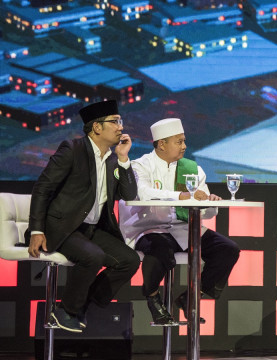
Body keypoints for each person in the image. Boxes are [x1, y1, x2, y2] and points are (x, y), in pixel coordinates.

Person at [27, 100, 140, 333]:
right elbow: (43, 188)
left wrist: (124, 159)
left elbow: (129, 194)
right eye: (115, 122)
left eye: (121, 121)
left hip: (91, 229)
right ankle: (66, 311)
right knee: (94, 257)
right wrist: (37, 230)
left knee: (129, 261)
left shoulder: (112, 159)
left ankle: (83, 305)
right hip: (63, 226)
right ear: (96, 127)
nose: (121, 127)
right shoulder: (72, 149)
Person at [119, 118, 240, 325]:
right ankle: (153, 297)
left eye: (184, 141)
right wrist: (180, 196)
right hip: (149, 227)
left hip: (184, 228)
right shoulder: (141, 166)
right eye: (179, 141)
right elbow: (143, 192)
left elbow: (207, 214)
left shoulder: (192, 168)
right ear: (162, 144)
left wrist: (210, 203)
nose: (184, 146)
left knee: (228, 249)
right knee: (160, 250)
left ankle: (192, 297)